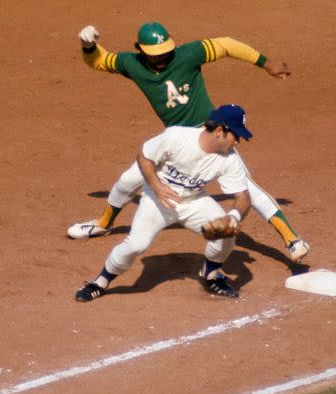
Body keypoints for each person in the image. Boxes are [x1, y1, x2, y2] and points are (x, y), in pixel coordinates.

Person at [68, 22, 310, 263]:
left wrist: (266, 63)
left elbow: (226, 45)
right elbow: (100, 61)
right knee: (128, 180)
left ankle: (292, 240)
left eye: (165, 52)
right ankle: (103, 224)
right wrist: (89, 47)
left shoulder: (188, 54)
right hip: (175, 142)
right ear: (140, 50)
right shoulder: (132, 64)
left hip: (210, 136)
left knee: (247, 190)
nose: (162, 58)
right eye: (155, 55)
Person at [76, 105, 253, 302]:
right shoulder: (177, 137)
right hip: (158, 200)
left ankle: (210, 274)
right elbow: (144, 156)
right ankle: (99, 282)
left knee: (226, 234)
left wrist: (234, 217)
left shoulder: (230, 159)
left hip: (193, 202)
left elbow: (243, 197)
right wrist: (156, 185)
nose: (238, 141)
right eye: (236, 135)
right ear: (220, 131)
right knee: (136, 245)